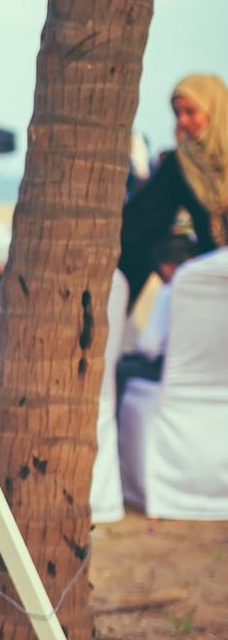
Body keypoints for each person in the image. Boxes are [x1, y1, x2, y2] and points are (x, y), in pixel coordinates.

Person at [119, 74, 228, 305]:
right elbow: (144, 217)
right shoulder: (182, 165)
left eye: (191, 112)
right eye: (178, 114)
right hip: (215, 271)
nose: (183, 121)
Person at [116, 233, 196, 405]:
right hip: (199, 370)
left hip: (164, 369)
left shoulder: (169, 291)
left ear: (166, 266)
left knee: (119, 369)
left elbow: (150, 346)